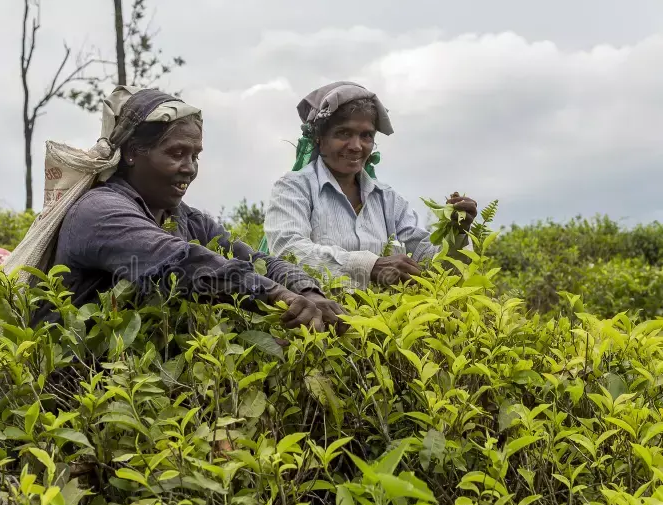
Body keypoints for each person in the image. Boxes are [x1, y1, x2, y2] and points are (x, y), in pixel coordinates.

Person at [32, 86, 344, 332]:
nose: (189, 168)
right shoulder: (100, 211)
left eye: (195, 156)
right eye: (176, 153)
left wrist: (308, 291)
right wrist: (279, 295)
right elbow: (181, 262)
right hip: (76, 381)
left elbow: (257, 261)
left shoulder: (183, 218)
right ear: (132, 153)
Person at [263, 81, 478, 289]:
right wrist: (369, 266)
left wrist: (457, 233)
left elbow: (434, 266)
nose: (356, 146)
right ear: (319, 137)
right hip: (316, 313)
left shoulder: (389, 201)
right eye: (344, 133)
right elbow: (288, 250)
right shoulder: (294, 188)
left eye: (366, 135)